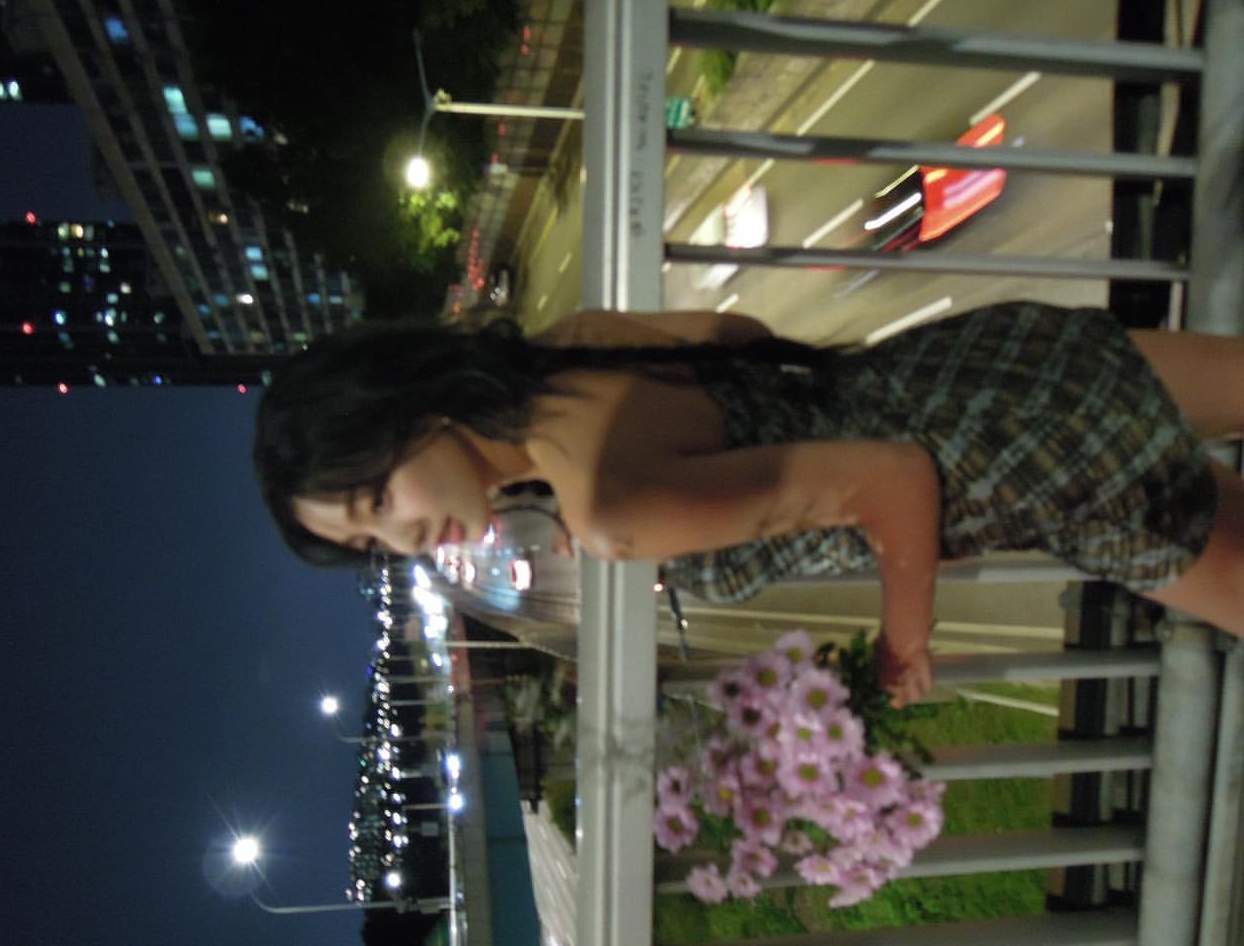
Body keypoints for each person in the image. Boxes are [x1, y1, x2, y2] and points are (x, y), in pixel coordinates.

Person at [253, 302, 1244, 706]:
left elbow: (897, 480)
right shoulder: (571, 343)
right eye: (373, 541)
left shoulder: (609, 510)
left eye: (377, 497)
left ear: (406, 404)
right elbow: (739, 333)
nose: (404, 538)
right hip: (984, 362)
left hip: (1031, 468)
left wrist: (903, 651)